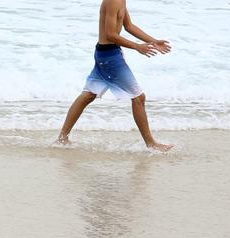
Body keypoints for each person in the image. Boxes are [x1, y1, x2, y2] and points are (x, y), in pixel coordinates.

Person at [56, 0, 173, 151]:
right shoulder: (114, 0)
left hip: (106, 54)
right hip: (109, 57)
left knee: (88, 95)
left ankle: (62, 138)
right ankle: (151, 144)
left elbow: (128, 26)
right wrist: (137, 46)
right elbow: (110, 34)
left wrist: (153, 41)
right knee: (139, 97)